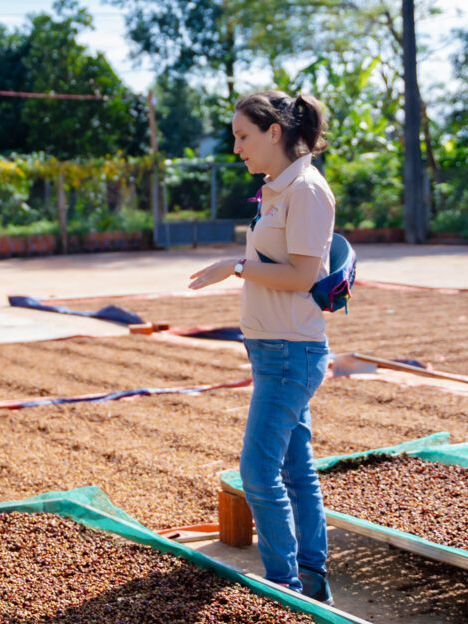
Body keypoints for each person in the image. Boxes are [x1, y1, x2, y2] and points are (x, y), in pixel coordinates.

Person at [189, 90, 336, 604]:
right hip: (273, 349)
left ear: (275, 132)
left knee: (257, 472)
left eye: (243, 136)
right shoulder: (280, 189)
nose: (236, 148)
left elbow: (300, 275)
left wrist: (235, 266)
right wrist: (239, 264)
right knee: (296, 469)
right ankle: (310, 583)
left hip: (290, 352)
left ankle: (284, 591)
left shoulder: (307, 191)